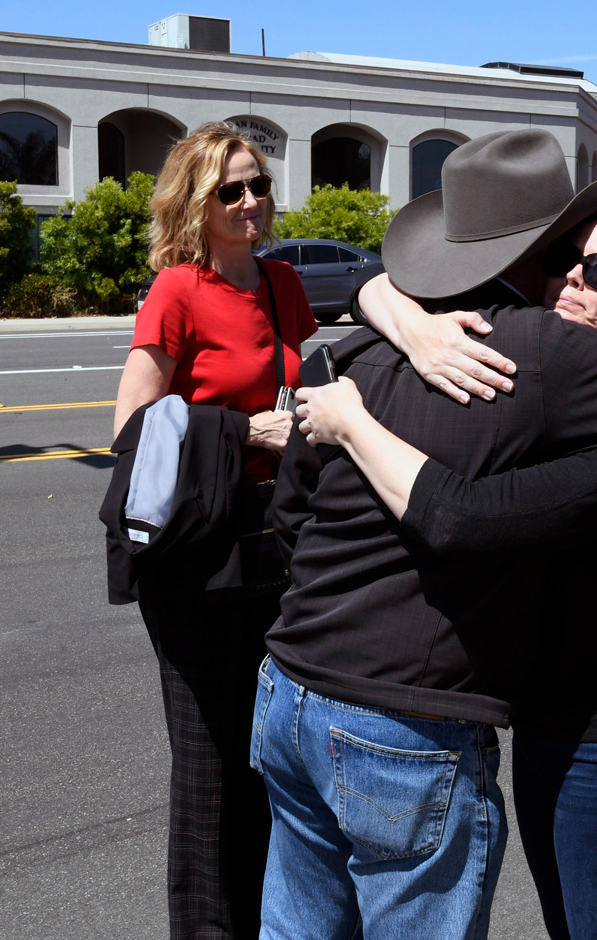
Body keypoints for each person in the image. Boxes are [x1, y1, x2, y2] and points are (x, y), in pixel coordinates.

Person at [253, 129, 597, 940]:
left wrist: (383, 322)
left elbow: (291, 520)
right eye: (571, 254)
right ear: (543, 246)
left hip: (292, 688)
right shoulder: (539, 352)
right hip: (405, 713)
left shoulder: (353, 356)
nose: (578, 274)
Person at [112, 122, 317, 940]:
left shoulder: (281, 286)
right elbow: (131, 428)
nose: (249, 202)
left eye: (258, 184)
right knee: (208, 771)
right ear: (195, 202)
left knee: (272, 760)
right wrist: (245, 434)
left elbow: (304, 384)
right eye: (229, 189)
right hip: (198, 558)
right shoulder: (176, 291)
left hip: (278, 549)